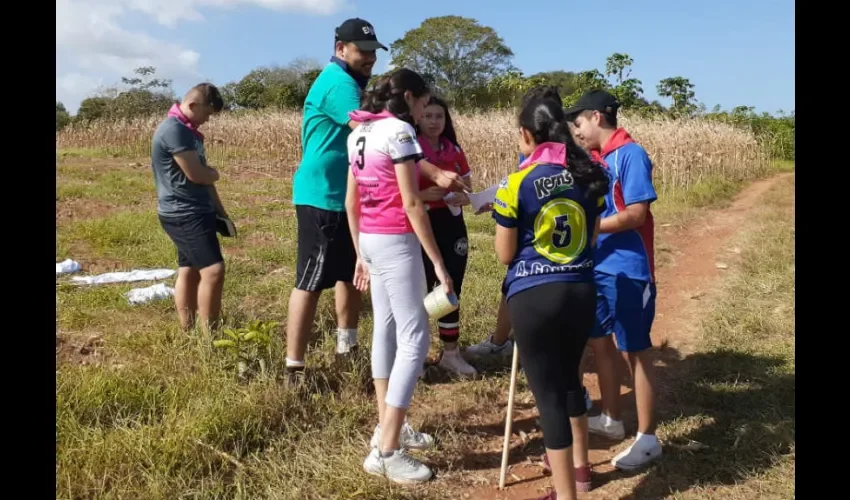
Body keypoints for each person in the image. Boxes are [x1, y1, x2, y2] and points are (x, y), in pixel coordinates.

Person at [286, 18, 468, 381]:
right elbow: (380, 136)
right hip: (323, 194)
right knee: (311, 279)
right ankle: (294, 365)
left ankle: (347, 346)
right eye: (362, 51)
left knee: (352, 275)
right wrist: (433, 172)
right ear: (341, 49)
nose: (369, 58)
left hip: (352, 197)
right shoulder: (339, 84)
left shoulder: (356, 83)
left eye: (372, 52)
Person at [493, 97, 609, 499]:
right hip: (580, 289)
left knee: (550, 399)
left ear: (527, 134)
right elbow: (592, 238)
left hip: (534, 296)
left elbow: (506, 255)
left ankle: (566, 495)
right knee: (571, 380)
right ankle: (581, 472)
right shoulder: (590, 176)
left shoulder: (515, 184)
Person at [345, 68, 449, 484]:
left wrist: (359, 253)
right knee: (415, 337)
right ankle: (387, 450)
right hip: (395, 240)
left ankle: (386, 424)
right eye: (424, 103)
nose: (425, 111)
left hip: (370, 238)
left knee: (385, 331)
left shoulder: (358, 133)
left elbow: (352, 203)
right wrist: (437, 262)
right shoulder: (400, 132)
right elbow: (411, 203)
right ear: (409, 97)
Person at [566, 89, 662, 470]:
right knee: (599, 341)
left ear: (596, 117)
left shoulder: (630, 155)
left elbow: (636, 214)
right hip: (599, 266)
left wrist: (589, 230)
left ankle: (649, 437)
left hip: (629, 269)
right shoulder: (596, 159)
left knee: (635, 350)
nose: (576, 132)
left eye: (578, 124)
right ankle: (611, 418)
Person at [151, 83, 229, 333]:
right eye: (206, 113)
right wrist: (215, 174)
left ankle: (188, 330)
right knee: (214, 270)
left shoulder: (187, 130)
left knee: (189, 269)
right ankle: (210, 337)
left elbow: (202, 176)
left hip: (194, 209)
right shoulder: (175, 130)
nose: (207, 120)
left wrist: (220, 210)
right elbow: (197, 174)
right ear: (193, 105)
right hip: (184, 212)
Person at [415, 96, 479, 377]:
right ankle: (414, 355)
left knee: (449, 289)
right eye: (427, 115)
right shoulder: (410, 149)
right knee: (419, 288)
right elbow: (396, 193)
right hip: (420, 224)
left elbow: (469, 189)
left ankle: (450, 353)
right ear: (417, 118)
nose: (433, 121)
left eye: (439, 116)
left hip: (452, 225)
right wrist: (423, 196)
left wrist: (462, 197)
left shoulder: (454, 149)